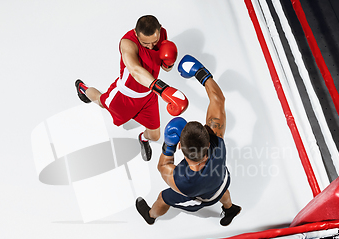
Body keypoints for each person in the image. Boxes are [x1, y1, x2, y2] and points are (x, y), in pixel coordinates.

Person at [136, 54, 242, 226]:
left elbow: (162, 167)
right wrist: (201, 73)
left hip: (201, 196)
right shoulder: (217, 139)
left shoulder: (183, 180)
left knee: (163, 198)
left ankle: (150, 215)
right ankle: (230, 208)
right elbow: (218, 100)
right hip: (221, 180)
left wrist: (168, 144)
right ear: (208, 142)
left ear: (180, 147)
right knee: (222, 189)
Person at [75, 15, 188, 161]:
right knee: (102, 102)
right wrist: (163, 89)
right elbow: (135, 70)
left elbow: (164, 68)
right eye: (145, 43)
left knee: (155, 135)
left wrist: (169, 63)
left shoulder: (162, 35)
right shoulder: (127, 43)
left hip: (149, 95)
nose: (150, 46)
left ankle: (142, 138)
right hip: (126, 95)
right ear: (136, 33)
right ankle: (83, 88)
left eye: (154, 41)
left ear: (159, 29)